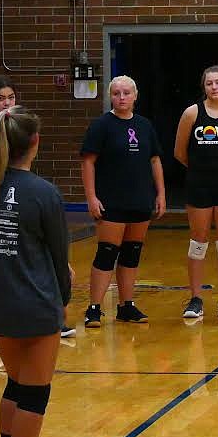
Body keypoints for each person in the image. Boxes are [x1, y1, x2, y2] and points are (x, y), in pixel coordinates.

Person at [0, 106, 70, 437]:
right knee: (34, 393)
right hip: (36, 304)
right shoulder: (43, 192)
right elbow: (59, 256)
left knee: (16, 386)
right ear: (34, 143)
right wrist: (62, 300)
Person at [80, 76, 165, 328]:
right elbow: (88, 162)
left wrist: (160, 193)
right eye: (116, 93)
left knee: (131, 254)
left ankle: (126, 305)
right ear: (110, 97)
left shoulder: (145, 125)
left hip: (140, 199)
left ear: (135, 95)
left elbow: (154, 160)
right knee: (107, 253)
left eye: (126, 93)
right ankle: (94, 307)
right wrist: (91, 197)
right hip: (111, 200)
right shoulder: (101, 126)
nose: (121, 97)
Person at [173, 66, 218, 320]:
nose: (214, 87)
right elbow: (179, 152)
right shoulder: (192, 113)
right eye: (209, 84)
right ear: (203, 87)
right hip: (198, 183)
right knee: (199, 241)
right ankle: (195, 298)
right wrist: (200, 170)